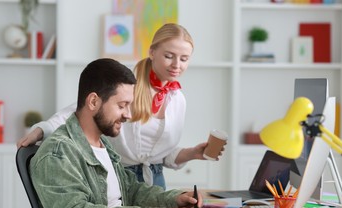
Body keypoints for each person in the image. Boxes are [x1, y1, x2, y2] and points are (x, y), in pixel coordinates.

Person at [30, 58, 208, 208]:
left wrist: (174, 198)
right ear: (94, 102)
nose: (129, 115)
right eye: (122, 105)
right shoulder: (58, 153)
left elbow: (132, 191)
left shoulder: (103, 145)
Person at [18, 23, 225, 189]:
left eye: (184, 59)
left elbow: (162, 156)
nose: (176, 65)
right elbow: (80, 111)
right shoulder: (129, 86)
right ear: (152, 52)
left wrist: (194, 153)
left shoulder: (178, 100)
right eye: (169, 56)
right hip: (120, 176)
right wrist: (42, 129)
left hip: (155, 180)